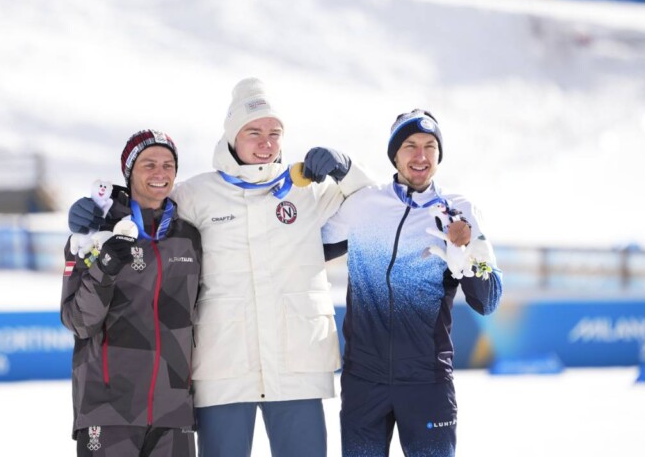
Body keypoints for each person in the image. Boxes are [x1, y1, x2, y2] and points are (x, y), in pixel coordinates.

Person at [67, 78, 374, 457]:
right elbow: (147, 200)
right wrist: (94, 212)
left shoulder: (308, 190)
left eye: (275, 133)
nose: (266, 143)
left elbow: (377, 215)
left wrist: (347, 169)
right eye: (254, 132)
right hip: (223, 364)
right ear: (232, 137)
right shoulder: (197, 194)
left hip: (298, 362)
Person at [321, 109, 503, 456]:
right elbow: (303, 249)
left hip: (428, 384)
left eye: (430, 146)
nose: (421, 156)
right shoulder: (365, 204)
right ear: (394, 154)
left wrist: (465, 255)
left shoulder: (457, 210)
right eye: (410, 145)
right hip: (364, 382)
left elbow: (488, 300)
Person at [61, 129, 202, 457]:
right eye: (149, 164)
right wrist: (104, 269)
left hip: (174, 413)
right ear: (129, 172)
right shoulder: (97, 231)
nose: (160, 173)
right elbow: (79, 320)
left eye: (168, 165)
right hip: (108, 411)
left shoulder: (189, 237)